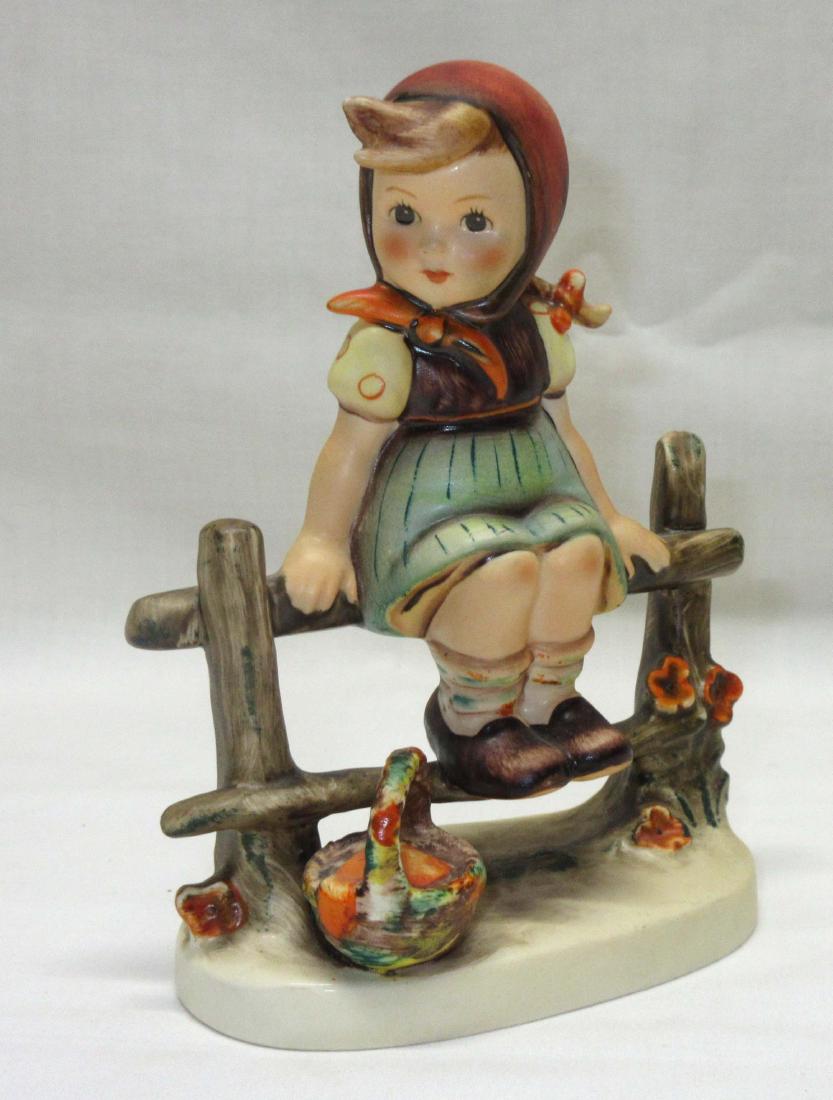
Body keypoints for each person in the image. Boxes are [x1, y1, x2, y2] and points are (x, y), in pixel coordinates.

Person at [281, 61, 669, 799]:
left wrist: (610, 515)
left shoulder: (533, 326)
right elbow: (350, 448)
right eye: (404, 217)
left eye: (473, 223)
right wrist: (322, 540)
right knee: (502, 573)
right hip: (432, 507)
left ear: (534, 224)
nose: (434, 249)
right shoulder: (389, 342)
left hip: (538, 485)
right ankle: (474, 718)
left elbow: (566, 430)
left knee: (579, 555)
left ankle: (549, 702)